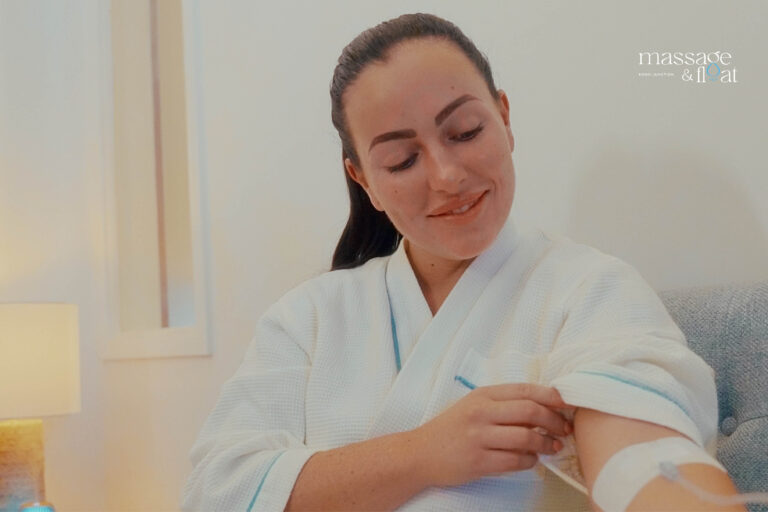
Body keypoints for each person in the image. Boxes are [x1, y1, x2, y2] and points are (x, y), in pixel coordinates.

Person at [181, 13, 746, 512]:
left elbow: (641, 460)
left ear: (504, 117)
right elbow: (218, 490)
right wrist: (423, 454)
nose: (447, 176)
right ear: (364, 181)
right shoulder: (306, 319)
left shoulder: (589, 290)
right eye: (402, 161)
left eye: (465, 131)